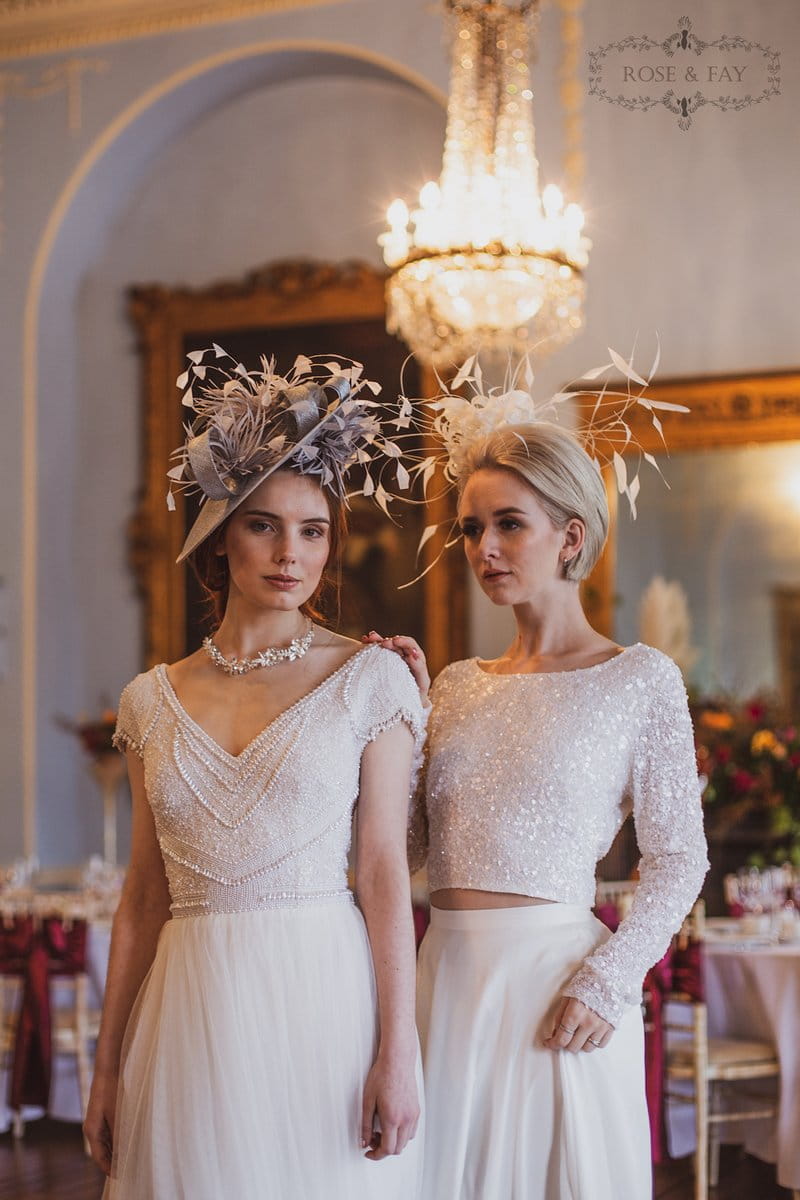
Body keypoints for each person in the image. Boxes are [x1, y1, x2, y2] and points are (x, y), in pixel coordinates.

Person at [84, 348, 425, 1200]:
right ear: (221, 533)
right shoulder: (148, 702)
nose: (290, 553)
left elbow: (383, 872)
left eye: (313, 531)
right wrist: (106, 1068)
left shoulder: (369, 678)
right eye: (264, 524)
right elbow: (141, 899)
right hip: (188, 1015)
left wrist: (400, 1046)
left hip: (323, 1003)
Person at [369, 390, 708, 1199]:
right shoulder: (453, 684)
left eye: (507, 524)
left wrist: (609, 978)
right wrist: (404, 729)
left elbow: (679, 858)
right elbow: (410, 850)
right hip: (441, 979)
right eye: (470, 529)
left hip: (559, 988)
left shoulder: (640, 679)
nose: (483, 547)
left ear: (571, 536)